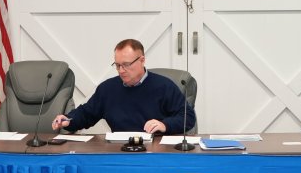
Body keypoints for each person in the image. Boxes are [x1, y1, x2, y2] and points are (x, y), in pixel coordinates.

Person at [51, 39, 196, 134]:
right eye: (117, 65)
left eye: (126, 65)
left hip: (156, 151)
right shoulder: (108, 89)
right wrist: (68, 120)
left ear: (142, 60)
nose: (121, 70)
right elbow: (87, 114)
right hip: (119, 150)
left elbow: (188, 117)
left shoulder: (164, 86)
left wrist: (164, 124)